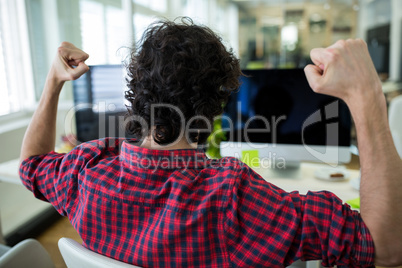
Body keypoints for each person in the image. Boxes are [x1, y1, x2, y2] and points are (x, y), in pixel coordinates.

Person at [19, 17, 402, 267]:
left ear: (135, 90)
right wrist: (367, 97)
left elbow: (31, 165)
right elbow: (385, 248)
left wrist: (52, 83)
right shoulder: (233, 197)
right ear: (217, 103)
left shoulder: (86, 168)